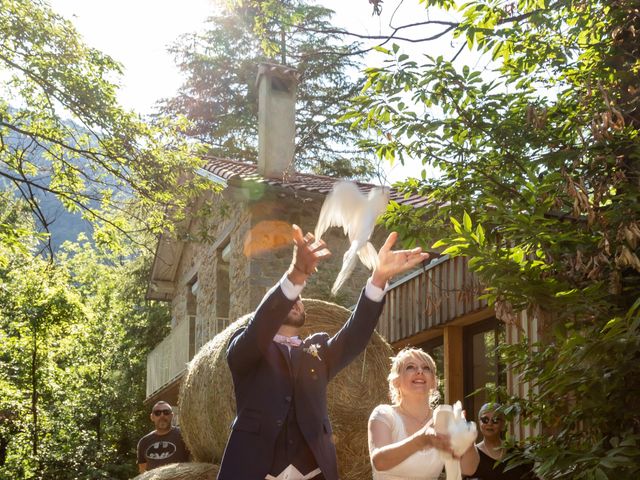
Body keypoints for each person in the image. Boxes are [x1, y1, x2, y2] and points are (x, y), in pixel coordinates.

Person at [217, 225, 430, 480]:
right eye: (289, 297)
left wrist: (379, 278)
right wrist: (296, 275)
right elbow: (260, 325)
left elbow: (355, 334)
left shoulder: (317, 353)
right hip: (253, 470)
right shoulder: (246, 350)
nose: (296, 300)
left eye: (299, 297)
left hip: (314, 472)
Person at [368, 347, 480, 479]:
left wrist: (465, 438)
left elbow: (469, 469)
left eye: (426, 368)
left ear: (433, 382)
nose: (420, 371)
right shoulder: (384, 414)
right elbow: (379, 461)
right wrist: (421, 439)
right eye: (410, 367)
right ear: (395, 380)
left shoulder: (443, 419)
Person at [464, 403, 536, 480]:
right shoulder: (472, 455)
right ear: (479, 422)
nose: (490, 423)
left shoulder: (515, 453)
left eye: (495, 420)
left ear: (503, 424)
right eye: (485, 420)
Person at [136, 401, 190, 473]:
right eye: (157, 413)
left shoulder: (184, 435)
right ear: (152, 417)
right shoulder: (144, 442)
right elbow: (142, 471)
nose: (162, 416)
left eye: (166, 412)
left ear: (172, 415)